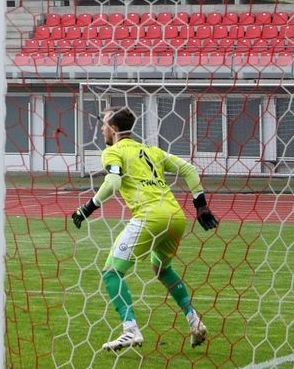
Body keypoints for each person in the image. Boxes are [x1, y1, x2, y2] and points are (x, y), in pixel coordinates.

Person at [69, 106, 220, 351]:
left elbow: (114, 181)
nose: (101, 129)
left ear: (115, 129)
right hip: (175, 217)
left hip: (149, 217)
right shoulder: (152, 150)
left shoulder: (113, 152)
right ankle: (194, 320)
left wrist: (87, 208)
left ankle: (130, 330)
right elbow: (189, 170)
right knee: (161, 268)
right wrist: (200, 205)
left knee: (111, 272)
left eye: (104, 124)